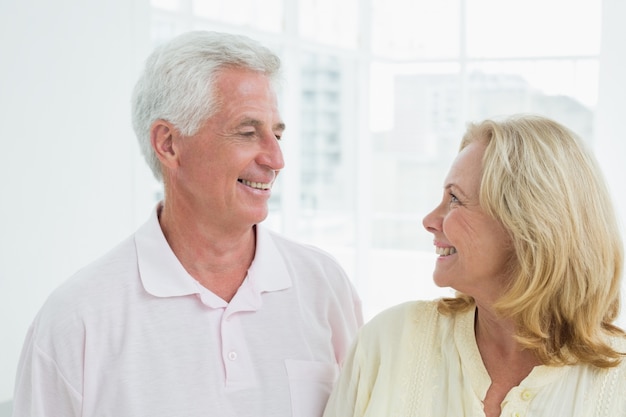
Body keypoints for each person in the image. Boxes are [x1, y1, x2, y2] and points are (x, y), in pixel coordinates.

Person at [12, 31, 363, 417]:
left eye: (277, 134)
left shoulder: (325, 285)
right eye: (248, 132)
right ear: (168, 144)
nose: (276, 159)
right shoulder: (78, 319)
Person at [323, 114, 626, 417]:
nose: (429, 221)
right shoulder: (387, 342)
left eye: (455, 199)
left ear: (528, 224)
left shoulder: (618, 380)